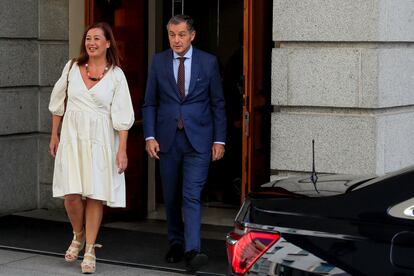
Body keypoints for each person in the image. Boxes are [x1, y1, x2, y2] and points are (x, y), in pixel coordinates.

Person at [48, 22, 134, 274]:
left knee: (95, 193)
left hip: (102, 140)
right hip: (72, 138)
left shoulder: (117, 75)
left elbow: (123, 115)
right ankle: (78, 234)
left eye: (97, 38)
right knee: (71, 194)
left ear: (108, 43)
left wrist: (123, 149)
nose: (92, 43)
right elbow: (58, 102)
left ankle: (89, 250)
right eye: (88, 38)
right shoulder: (72, 67)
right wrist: (55, 134)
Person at [142, 14, 226, 271]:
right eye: (171, 35)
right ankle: (176, 243)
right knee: (171, 196)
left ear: (192, 35)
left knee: (191, 195)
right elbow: (150, 102)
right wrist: (150, 136)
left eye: (181, 35)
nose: (176, 40)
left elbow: (217, 103)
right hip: (167, 140)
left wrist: (219, 140)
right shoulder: (158, 62)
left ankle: (193, 250)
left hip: (199, 141)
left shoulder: (208, 62)